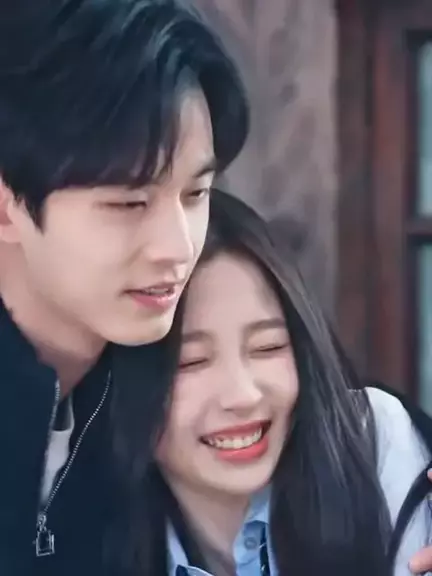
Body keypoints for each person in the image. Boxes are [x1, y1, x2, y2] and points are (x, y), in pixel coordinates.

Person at [0, 1, 249, 574]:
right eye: (129, 203)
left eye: (196, 194)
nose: (177, 247)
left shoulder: (167, 380)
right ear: (7, 205)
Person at [113, 190, 431, 576]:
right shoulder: (80, 532)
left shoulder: (370, 440)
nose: (243, 395)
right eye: (191, 361)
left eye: (268, 347)